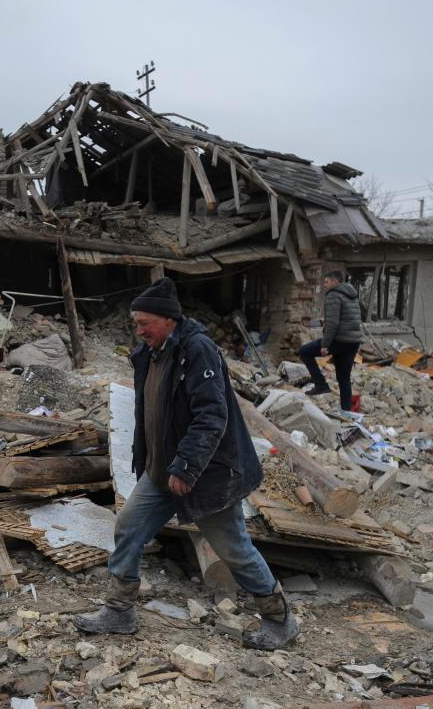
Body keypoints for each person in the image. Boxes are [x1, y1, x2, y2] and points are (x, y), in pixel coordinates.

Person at [73, 278, 300, 650]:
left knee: (234, 549)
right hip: (162, 470)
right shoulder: (150, 353)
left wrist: (188, 466)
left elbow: (211, 415)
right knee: (128, 527)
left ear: (168, 319)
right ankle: (119, 611)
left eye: (144, 322)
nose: (138, 329)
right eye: (136, 322)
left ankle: (279, 619)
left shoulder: (198, 351)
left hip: (206, 474)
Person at [299, 269, 362, 411]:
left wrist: (325, 345)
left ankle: (321, 385)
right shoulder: (352, 295)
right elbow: (347, 318)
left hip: (339, 340)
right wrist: (325, 320)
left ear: (335, 281)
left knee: (304, 352)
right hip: (352, 342)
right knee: (343, 379)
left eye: (326, 282)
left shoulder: (333, 295)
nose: (325, 285)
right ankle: (347, 413)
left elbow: (333, 324)